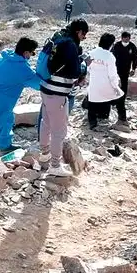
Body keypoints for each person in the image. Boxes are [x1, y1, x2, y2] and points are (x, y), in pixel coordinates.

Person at [0, 37, 41, 162]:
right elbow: (39, 84)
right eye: (32, 53)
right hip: (2, 102)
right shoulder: (21, 69)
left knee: (8, 120)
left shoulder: (2, 58)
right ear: (26, 52)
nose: (31, 56)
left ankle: (5, 145)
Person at [39, 18, 88, 177]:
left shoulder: (58, 37)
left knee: (45, 123)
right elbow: (74, 72)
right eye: (84, 34)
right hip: (58, 93)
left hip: (45, 88)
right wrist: (83, 65)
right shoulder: (70, 45)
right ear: (78, 31)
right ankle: (55, 164)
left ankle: (44, 155)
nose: (84, 37)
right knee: (59, 131)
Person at [86, 33, 125, 130]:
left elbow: (88, 69)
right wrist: (116, 86)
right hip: (106, 84)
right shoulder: (110, 56)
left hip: (94, 84)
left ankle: (92, 123)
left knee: (92, 103)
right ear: (111, 44)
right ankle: (121, 118)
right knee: (118, 96)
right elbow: (112, 75)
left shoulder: (91, 53)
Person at [111, 31, 137, 123]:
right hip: (115, 69)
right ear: (122, 38)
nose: (127, 40)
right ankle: (113, 99)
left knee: (124, 86)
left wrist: (133, 68)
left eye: (128, 39)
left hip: (126, 70)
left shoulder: (132, 46)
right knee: (114, 85)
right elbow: (111, 56)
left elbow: (135, 58)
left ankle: (122, 99)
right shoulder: (116, 46)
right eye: (125, 38)